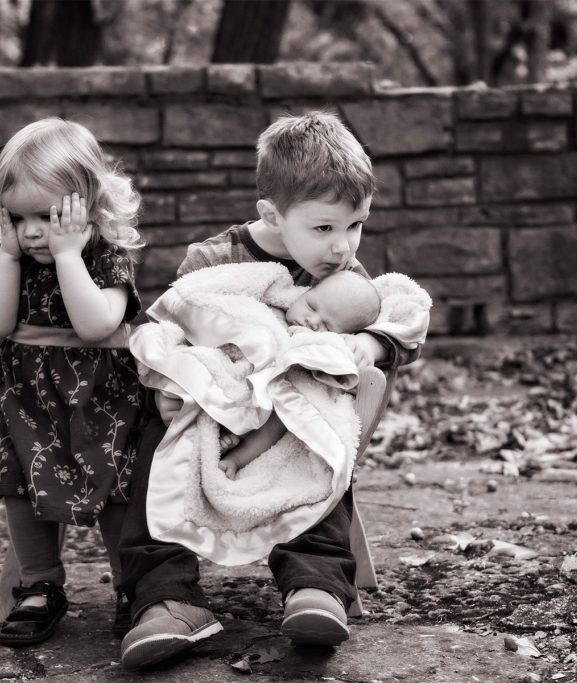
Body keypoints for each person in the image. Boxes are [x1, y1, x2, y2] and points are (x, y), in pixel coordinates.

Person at [118, 111, 422, 670]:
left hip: (292, 417)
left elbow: (399, 313)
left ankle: (317, 584)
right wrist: (169, 380)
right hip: (212, 409)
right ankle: (164, 597)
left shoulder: (343, 276)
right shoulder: (212, 260)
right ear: (271, 215)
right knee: (153, 451)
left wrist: (371, 345)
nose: (341, 247)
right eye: (324, 228)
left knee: (321, 451)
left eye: (355, 225)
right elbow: (174, 324)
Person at [0, 118, 145, 647]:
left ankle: (132, 587)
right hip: (30, 400)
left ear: (88, 206)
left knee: (118, 485)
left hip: (103, 400)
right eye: (18, 217)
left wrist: (69, 255)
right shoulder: (12, 259)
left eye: (47, 216)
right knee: (21, 485)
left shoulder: (104, 258)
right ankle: (40, 584)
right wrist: (4, 255)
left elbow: (97, 326)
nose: (30, 231)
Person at [217, 270, 383, 478]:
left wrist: (308, 342)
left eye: (327, 326)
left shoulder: (324, 345)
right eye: (311, 306)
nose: (312, 321)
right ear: (303, 293)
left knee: (282, 420)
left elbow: (339, 370)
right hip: (239, 386)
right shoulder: (268, 308)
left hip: (280, 395)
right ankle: (226, 431)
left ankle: (237, 458)